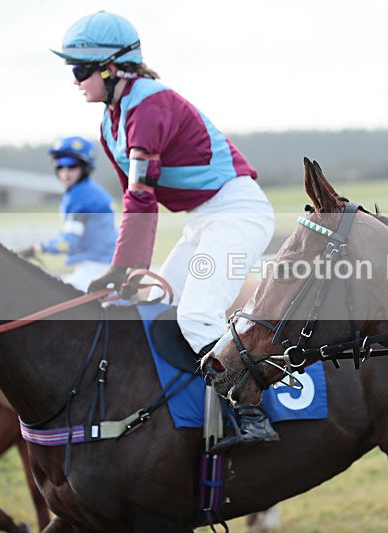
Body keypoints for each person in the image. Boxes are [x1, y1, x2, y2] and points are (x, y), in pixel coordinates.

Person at [52, 11, 278, 454]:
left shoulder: (149, 108)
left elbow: (141, 200)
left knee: (195, 317)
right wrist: (127, 274)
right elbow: (135, 202)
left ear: (111, 69)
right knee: (154, 305)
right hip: (201, 220)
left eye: (79, 70)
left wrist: (121, 270)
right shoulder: (110, 122)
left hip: (237, 213)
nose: (74, 80)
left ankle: (252, 413)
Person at [17, 136, 118, 292]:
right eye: (59, 165)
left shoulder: (81, 196)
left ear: (86, 167)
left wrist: (37, 248)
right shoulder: (88, 190)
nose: (65, 171)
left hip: (95, 269)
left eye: (71, 165)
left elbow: (68, 242)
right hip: (100, 265)